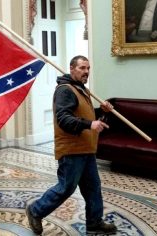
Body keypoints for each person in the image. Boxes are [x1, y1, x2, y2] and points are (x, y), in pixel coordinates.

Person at [25, 56, 117, 235]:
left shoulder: (82, 90)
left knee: (93, 187)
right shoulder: (65, 91)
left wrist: (102, 113)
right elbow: (64, 119)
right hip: (72, 150)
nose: (86, 72)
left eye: (88, 68)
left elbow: (86, 116)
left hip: (86, 149)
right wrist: (90, 125)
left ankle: (94, 222)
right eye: (82, 68)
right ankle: (35, 211)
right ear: (72, 69)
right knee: (66, 187)